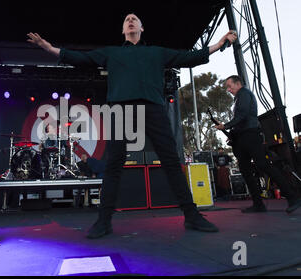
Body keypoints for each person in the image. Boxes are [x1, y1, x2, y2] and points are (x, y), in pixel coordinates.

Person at [27, 13, 237, 238]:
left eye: (134, 18)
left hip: (153, 108)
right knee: (114, 164)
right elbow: (80, 58)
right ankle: (104, 220)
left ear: (142, 28)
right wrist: (49, 48)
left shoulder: (156, 52)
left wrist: (221, 43)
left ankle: (191, 215)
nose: (130, 19)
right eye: (126, 19)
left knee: (171, 161)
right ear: (123, 30)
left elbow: (190, 57)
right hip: (122, 110)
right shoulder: (112, 52)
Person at [214, 75, 301, 213]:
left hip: (251, 135)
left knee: (263, 165)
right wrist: (233, 136)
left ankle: (292, 197)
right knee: (245, 169)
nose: (229, 90)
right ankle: (258, 204)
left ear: (238, 84)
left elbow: (242, 116)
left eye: (230, 86)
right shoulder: (238, 98)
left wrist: (226, 126)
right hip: (243, 137)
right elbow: (241, 120)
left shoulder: (244, 94)